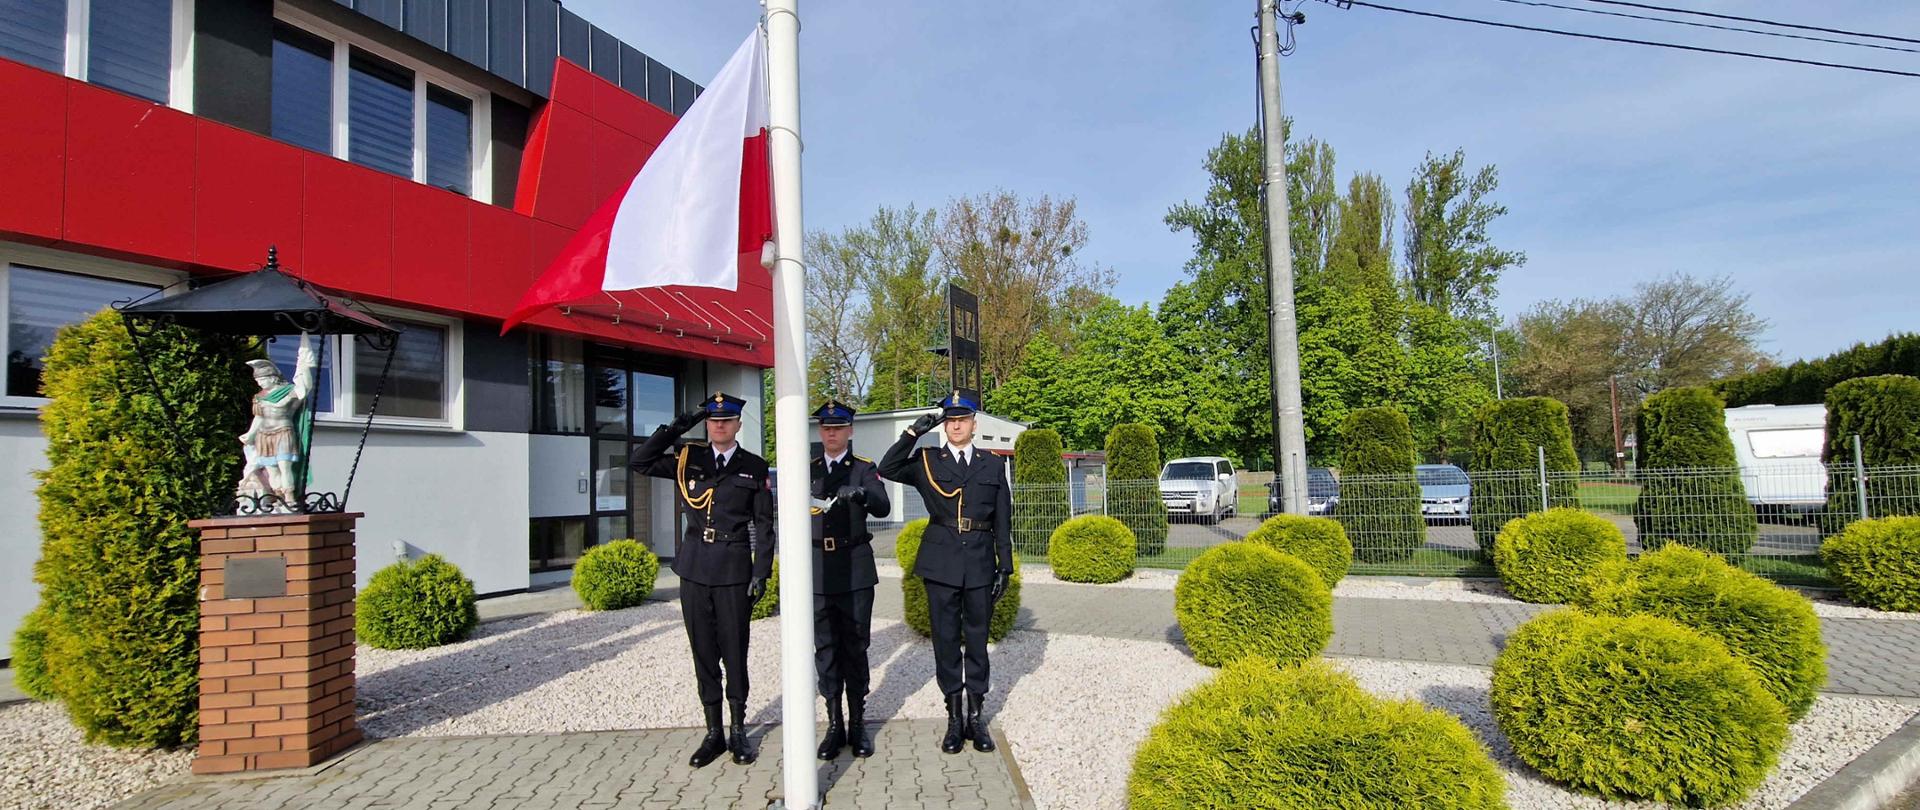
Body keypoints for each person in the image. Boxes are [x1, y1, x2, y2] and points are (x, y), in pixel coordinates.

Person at [630, 392, 774, 768]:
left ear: (738, 425)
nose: (719, 425)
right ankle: (714, 732)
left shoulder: (754, 467)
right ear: (707, 424)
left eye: (726, 420)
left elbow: (764, 523)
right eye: (713, 420)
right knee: (704, 653)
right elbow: (640, 461)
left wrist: (762, 572)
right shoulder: (688, 458)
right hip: (694, 568)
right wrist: (680, 424)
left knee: (734, 651)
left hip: (733, 569)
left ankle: (739, 729)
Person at [877, 392, 1012, 755]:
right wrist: (912, 433)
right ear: (943, 424)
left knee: (978, 640)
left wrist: (1006, 566)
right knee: (947, 640)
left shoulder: (992, 464)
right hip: (941, 563)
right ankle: (954, 718)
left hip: (981, 561)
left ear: (973, 424)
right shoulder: (926, 461)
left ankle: (976, 716)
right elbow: (887, 468)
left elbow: (1003, 519)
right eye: (949, 419)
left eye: (962, 419)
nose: (955, 425)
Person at [808, 399, 890, 760]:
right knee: (825, 649)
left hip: (854, 568)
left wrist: (862, 494)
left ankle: (858, 723)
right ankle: (834, 723)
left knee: (855, 646)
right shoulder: (806, 469)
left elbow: (883, 506)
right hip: (818, 570)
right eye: (826, 427)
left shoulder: (863, 469)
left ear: (850, 431)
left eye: (838, 427)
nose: (831, 433)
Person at [238, 332, 316, 512]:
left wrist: (303, 368)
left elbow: (303, 389)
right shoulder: (259, 397)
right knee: (271, 468)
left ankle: (289, 496)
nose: (259, 383)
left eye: (262, 379)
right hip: (264, 436)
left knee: (284, 466)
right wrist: (250, 434)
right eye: (257, 380)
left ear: (273, 377)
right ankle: (277, 496)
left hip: (283, 432)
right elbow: (259, 417)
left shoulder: (289, 392)